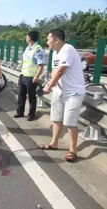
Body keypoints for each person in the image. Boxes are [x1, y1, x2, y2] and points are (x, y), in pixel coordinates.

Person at [41, 29, 85, 162]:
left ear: (56, 40)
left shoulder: (68, 49)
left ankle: (73, 150)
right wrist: (52, 84)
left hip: (74, 92)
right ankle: (54, 143)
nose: (47, 42)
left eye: (49, 39)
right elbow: (55, 70)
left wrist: (49, 86)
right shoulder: (55, 53)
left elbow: (61, 70)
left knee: (69, 122)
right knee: (56, 118)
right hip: (59, 91)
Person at [14, 30, 45, 121]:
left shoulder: (38, 49)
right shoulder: (28, 47)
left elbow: (41, 65)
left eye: (27, 36)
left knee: (31, 96)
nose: (26, 38)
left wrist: (36, 76)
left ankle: (31, 114)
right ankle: (20, 112)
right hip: (23, 75)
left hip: (31, 77)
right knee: (21, 95)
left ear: (30, 38)